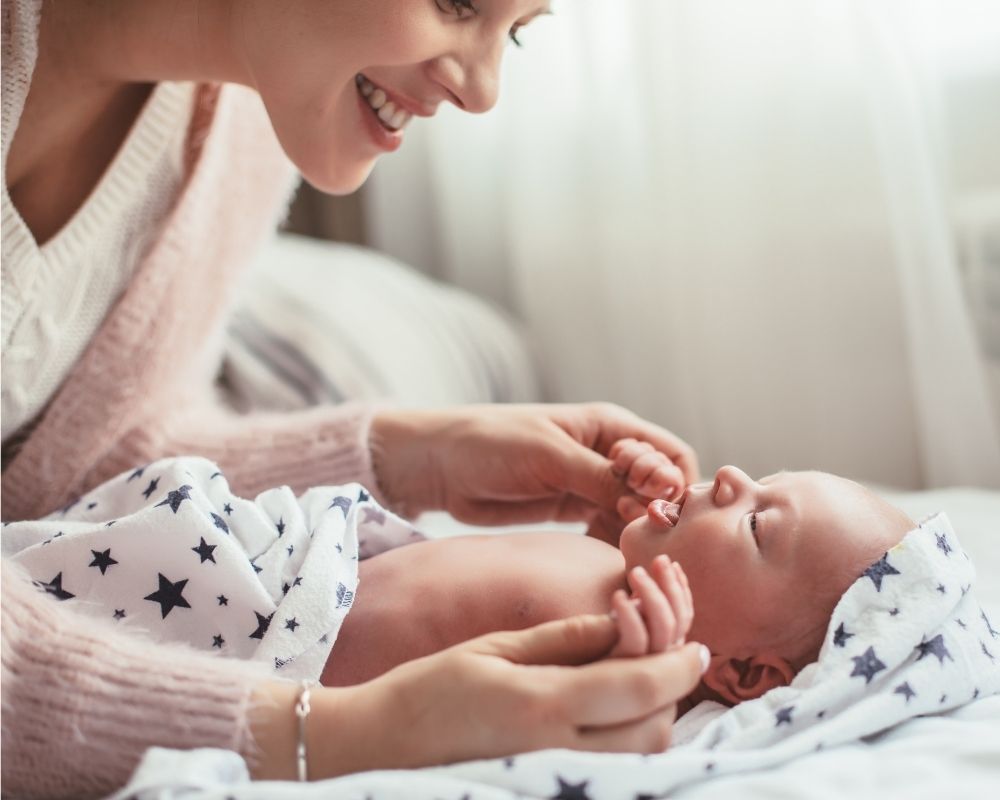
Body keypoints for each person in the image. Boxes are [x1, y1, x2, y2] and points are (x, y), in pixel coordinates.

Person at [1, 1, 705, 795]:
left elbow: (81, 467)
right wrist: (335, 733)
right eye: (458, 3)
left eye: (515, 31)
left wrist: (415, 456)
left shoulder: (240, 128)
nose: (483, 92)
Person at [321, 447, 916, 713]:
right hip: (308, 564)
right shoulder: (616, 574)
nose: (731, 474)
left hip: (280, 646)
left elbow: (564, 719)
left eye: (758, 522)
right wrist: (605, 528)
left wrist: (630, 667)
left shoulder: (639, 682)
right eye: (762, 478)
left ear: (743, 673)